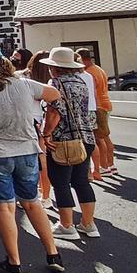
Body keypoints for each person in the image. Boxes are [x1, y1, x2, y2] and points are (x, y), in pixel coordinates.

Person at [0, 46, 64, 273]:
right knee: (32, 203)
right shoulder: (25, 85)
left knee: (4, 207)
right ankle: (53, 254)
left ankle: (15, 262)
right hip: (26, 151)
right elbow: (53, 94)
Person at [40, 48, 99, 240]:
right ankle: (88, 223)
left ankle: (66, 225)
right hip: (86, 137)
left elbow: (55, 113)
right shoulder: (81, 81)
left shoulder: (55, 84)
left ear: (55, 68)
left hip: (64, 139)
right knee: (81, 181)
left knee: (61, 182)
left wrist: (46, 133)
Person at [77, 49, 117, 178]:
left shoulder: (89, 72)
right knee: (105, 137)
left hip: (97, 105)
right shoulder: (98, 69)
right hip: (104, 103)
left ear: (82, 59)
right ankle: (110, 165)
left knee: (99, 139)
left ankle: (104, 166)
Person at [27, 51, 54, 207]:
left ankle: (35, 193)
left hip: (31, 121)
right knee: (45, 159)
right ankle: (47, 195)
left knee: (33, 160)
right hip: (46, 121)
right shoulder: (50, 82)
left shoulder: (27, 79)